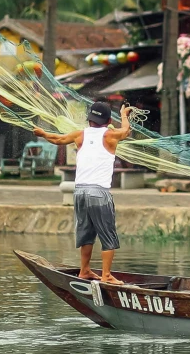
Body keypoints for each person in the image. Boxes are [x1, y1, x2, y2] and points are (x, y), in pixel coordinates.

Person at [34, 101, 130, 284]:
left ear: (89, 120)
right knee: (108, 235)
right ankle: (106, 275)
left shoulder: (80, 135)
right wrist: (124, 115)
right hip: (98, 193)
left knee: (86, 232)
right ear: (109, 120)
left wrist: (42, 133)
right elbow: (126, 131)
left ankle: (85, 270)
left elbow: (57, 139)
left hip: (78, 192)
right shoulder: (111, 135)